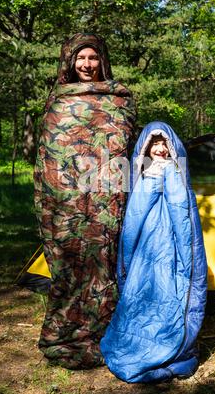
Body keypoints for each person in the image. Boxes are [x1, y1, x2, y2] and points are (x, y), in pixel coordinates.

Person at [34, 33, 137, 369]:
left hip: (106, 202)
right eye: (81, 59)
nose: (87, 65)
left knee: (104, 261)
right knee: (70, 263)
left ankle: (104, 328)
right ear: (69, 61)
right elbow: (49, 157)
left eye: (93, 58)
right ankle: (65, 330)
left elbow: (125, 149)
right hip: (65, 203)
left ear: (102, 60)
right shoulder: (58, 101)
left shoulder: (119, 98)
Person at [100, 121, 208, 383]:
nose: (159, 149)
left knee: (170, 286)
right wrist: (152, 179)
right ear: (145, 149)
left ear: (172, 147)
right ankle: (139, 337)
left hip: (171, 242)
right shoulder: (141, 173)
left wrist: (168, 176)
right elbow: (135, 214)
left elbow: (184, 213)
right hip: (146, 248)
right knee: (142, 287)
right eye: (154, 144)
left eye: (163, 144)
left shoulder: (178, 171)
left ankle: (170, 338)